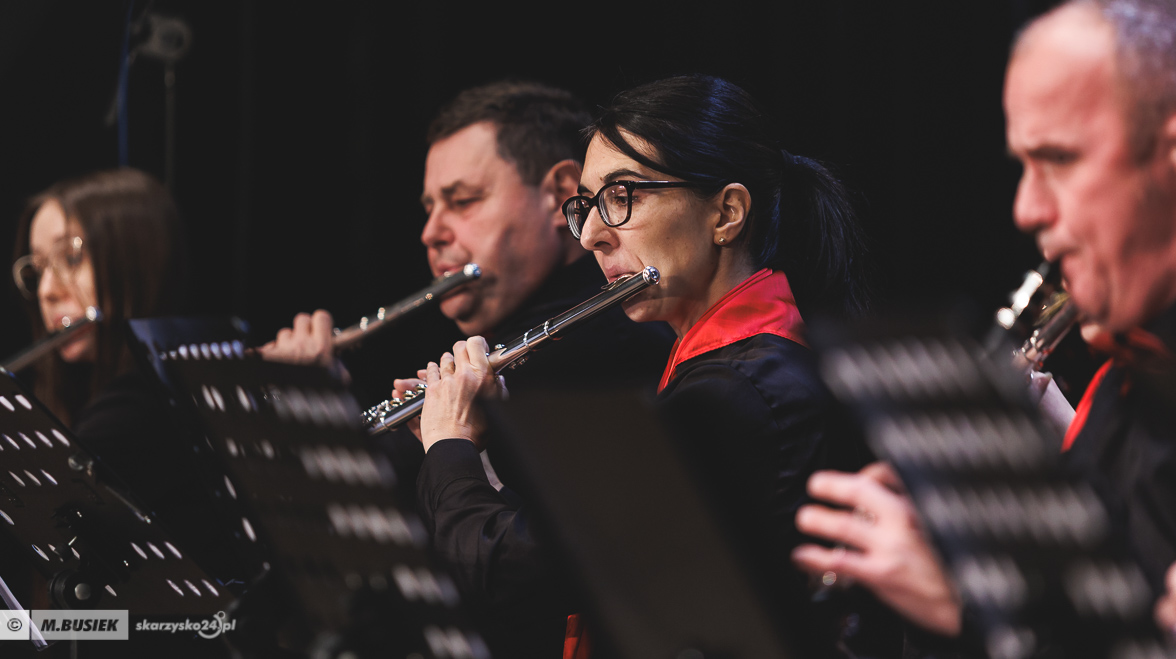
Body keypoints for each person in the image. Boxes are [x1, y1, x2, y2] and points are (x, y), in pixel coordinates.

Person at [414, 74, 902, 657]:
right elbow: (581, 558)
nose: (592, 236)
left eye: (623, 196)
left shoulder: (735, 390)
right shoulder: (743, 366)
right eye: (587, 206)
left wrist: (448, 445)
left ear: (726, 213)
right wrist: (477, 449)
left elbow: (501, 572)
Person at [792, 0, 1176, 648]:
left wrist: (971, 607)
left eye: (1059, 159)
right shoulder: (1129, 384)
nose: (1026, 209)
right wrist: (973, 538)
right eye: (1024, 165)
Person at [266, 80, 675, 657]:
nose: (432, 232)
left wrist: (307, 417)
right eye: (430, 207)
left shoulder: (603, 341)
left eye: (462, 201)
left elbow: (481, 570)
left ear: (559, 195)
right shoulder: (504, 336)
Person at [6, 167, 235, 655]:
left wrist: (12, 632)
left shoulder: (142, 407)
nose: (47, 290)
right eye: (38, 268)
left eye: (71, 257)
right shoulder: (97, 398)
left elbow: (121, 630)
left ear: (139, 259)